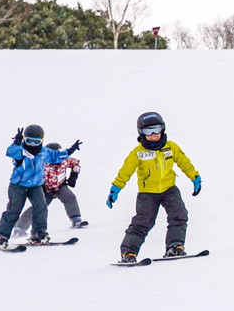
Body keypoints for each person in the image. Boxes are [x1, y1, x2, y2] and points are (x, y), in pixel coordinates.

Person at [108, 111, 202, 263]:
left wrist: (195, 178)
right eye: (148, 131)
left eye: (156, 129)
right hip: (147, 193)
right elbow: (125, 172)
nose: (153, 135)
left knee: (179, 215)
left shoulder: (170, 147)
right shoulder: (138, 153)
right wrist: (115, 189)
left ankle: (175, 246)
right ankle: (128, 253)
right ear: (141, 132)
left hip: (169, 189)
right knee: (142, 223)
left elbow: (184, 162)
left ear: (163, 129)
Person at [0, 125, 81, 248]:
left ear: (42, 141)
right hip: (18, 186)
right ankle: (1, 236)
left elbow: (55, 156)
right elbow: (11, 152)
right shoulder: (20, 151)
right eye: (29, 141)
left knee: (41, 207)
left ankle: (39, 233)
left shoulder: (44, 151)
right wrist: (17, 143)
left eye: (36, 141)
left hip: (36, 186)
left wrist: (70, 150)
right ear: (24, 140)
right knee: (14, 210)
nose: (33, 145)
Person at [13, 141, 87, 237]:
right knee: (38, 207)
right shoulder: (41, 164)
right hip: (45, 190)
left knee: (70, 197)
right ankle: (20, 228)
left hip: (60, 186)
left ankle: (76, 219)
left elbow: (75, 163)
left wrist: (74, 175)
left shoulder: (65, 160)